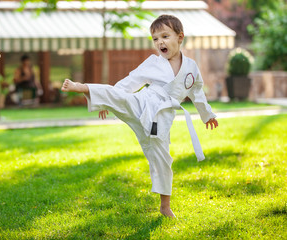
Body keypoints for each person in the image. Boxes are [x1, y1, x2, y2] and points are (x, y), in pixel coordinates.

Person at [61, 15, 218, 218]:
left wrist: (207, 115)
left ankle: (165, 206)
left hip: (162, 118)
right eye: (155, 39)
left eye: (165, 36)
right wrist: (107, 102)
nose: (160, 42)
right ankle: (83, 87)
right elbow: (131, 81)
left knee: (163, 159)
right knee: (122, 97)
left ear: (180, 37)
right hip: (144, 103)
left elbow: (197, 92)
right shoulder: (153, 62)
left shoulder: (191, 68)